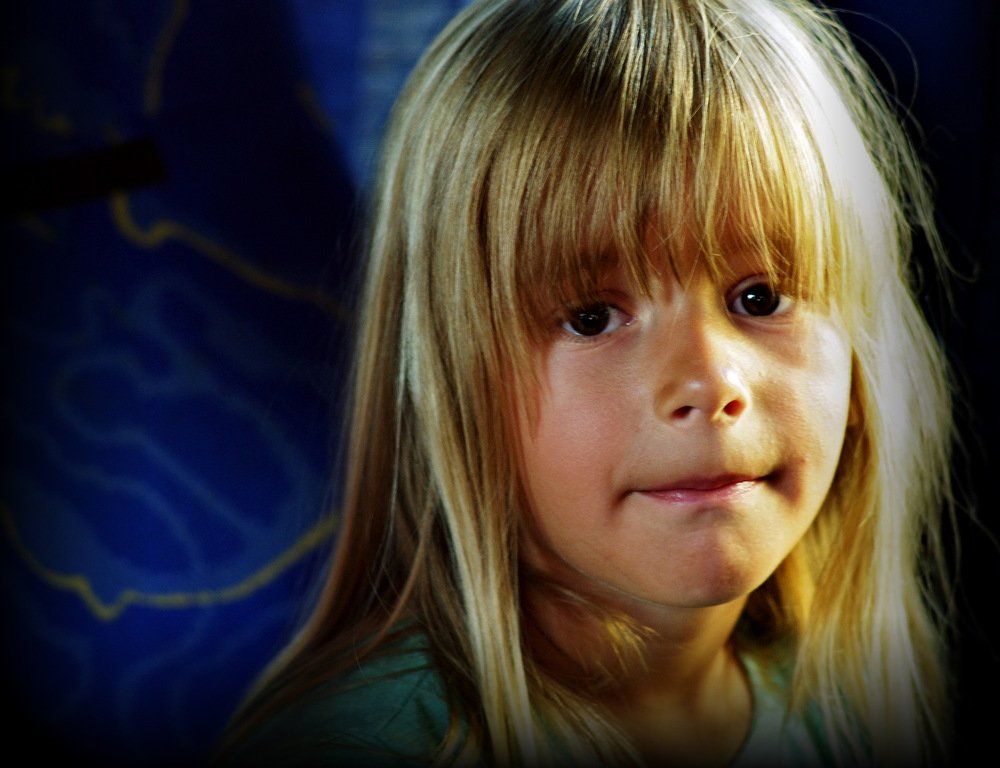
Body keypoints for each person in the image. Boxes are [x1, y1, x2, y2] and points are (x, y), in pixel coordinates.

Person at [218, 0, 957, 765]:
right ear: (453, 388)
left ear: (863, 364)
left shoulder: (858, 709)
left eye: (760, 298)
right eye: (592, 317)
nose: (710, 382)